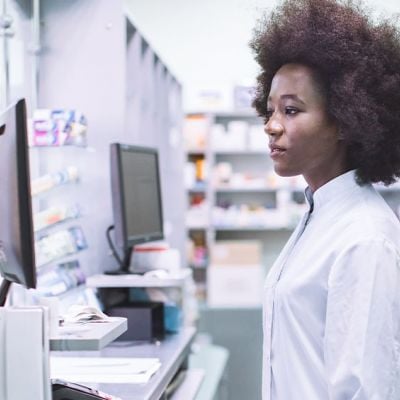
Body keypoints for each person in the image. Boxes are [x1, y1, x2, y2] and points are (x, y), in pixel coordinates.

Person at [250, 0, 400, 398]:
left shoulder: (365, 238)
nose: (272, 126)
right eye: (270, 110)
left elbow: (364, 390)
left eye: (291, 110)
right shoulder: (319, 214)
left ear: (344, 122)